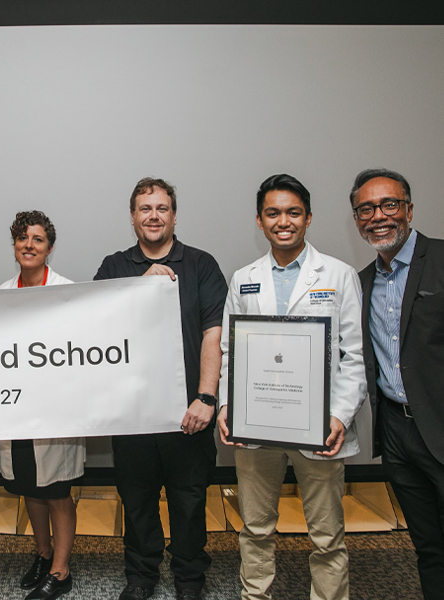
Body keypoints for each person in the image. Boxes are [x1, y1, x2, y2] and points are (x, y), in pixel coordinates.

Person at [216, 174, 366, 600]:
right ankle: (255, 595)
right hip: (256, 426)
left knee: (326, 535)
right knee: (256, 528)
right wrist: (228, 407)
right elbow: (230, 353)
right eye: (273, 213)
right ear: (260, 222)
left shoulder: (338, 275)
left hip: (318, 428)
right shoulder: (243, 278)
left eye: (293, 212)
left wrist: (337, 416)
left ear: (309, 217)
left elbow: (354, 356)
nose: (284, 221)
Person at [94, 178, 227, 600]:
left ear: (174, 215)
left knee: (189, 504)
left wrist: (206, 397)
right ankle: (141, 576)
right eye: (145, 208)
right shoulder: (113, 267)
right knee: (137, 502)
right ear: (132, 217)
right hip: (134, 415)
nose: (154, 215)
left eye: (162, 208)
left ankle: (189, 579)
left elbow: (213, 334)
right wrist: (139, 289)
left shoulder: (202, 264)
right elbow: (96, 331)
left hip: (190, 411)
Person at [350, 168, 444, 599]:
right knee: (427, 545)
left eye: (389, 204)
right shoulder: (363, 282)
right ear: (357, 219)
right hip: (398, 432)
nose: (379, 216)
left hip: (440, 426)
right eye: (366, 209)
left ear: (408, 208)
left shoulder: (441, 260)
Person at [0, 210, 85, 600]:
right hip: (16, 410)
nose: (29, 245)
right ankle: (43, 554)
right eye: (22, 239)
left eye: (37, 239)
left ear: (49, 247)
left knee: (57, 490)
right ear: (14, 245)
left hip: (56, 410)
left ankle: (61, 571)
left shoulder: (68, 292)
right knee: (30, 487)